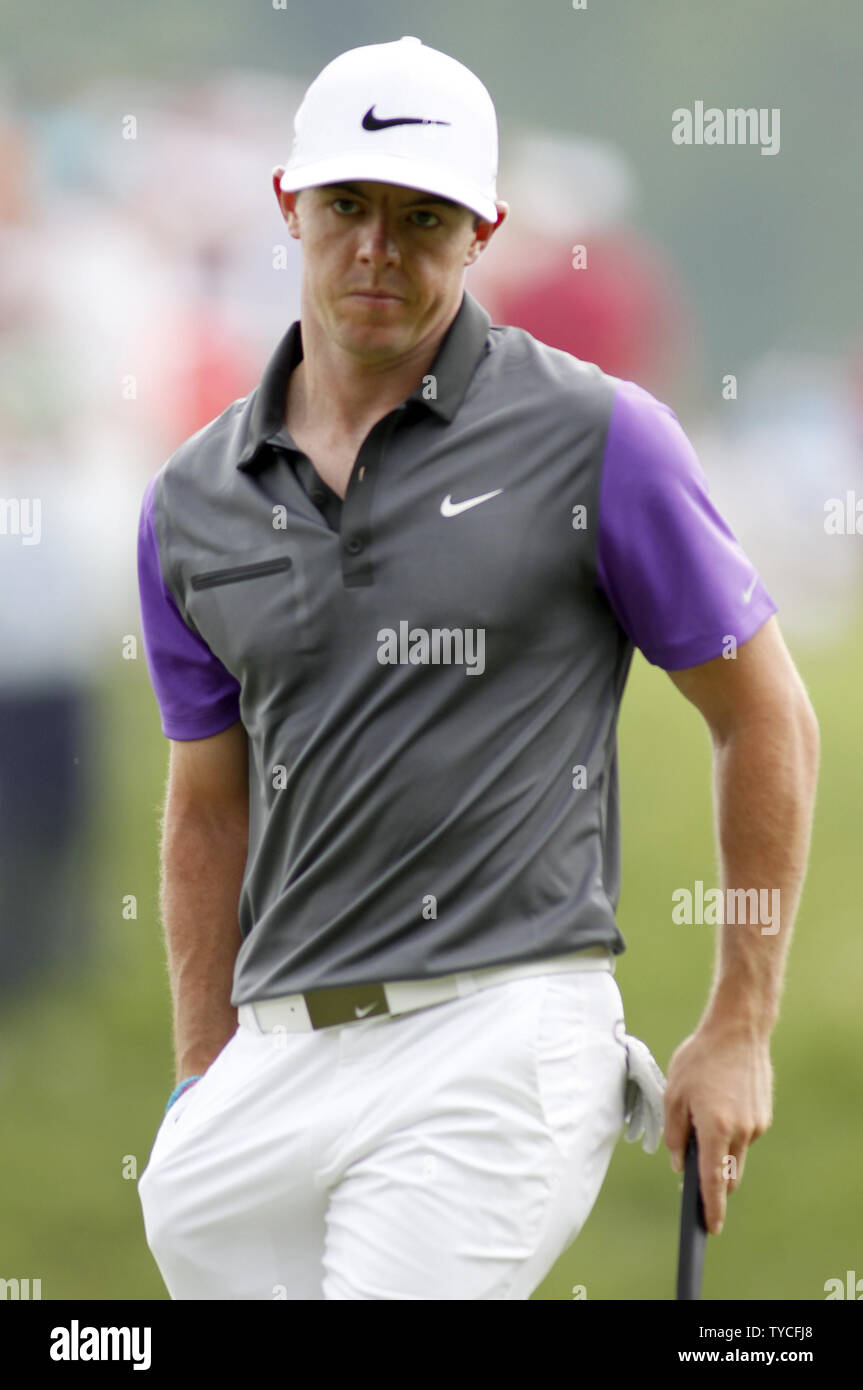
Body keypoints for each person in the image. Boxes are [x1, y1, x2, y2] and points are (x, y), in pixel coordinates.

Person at [135, 37, 819, 1300]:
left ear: (483, 230)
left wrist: (737, 1024)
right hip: (273, 1062)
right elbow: (207, 804)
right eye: (347, 206)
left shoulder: (600, 439)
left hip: (500, 1036)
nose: (378, 251)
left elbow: (763, 714)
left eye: (422, 216)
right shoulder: (190, 501)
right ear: (289, 206)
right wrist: (199, 1074)